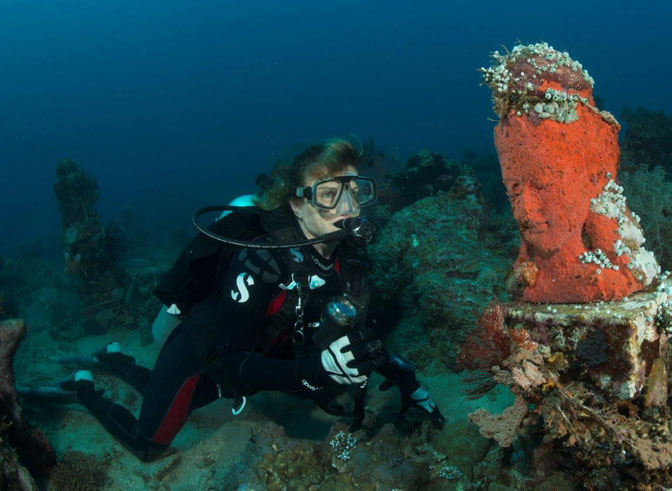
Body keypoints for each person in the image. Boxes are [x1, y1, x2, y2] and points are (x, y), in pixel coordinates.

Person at [18, 138, 443, 462]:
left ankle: (113, 359)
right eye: (330, 194)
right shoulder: (262, 261)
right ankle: (84, 390)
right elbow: (230, 365)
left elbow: (356, 329)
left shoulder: (348, 257)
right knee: (150, 444)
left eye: (355, 190)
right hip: (204, 352)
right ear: (298, 203)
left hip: (261, 355)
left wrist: (406, 378)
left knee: (166, 393)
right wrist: (313, 370)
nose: (347, 206)